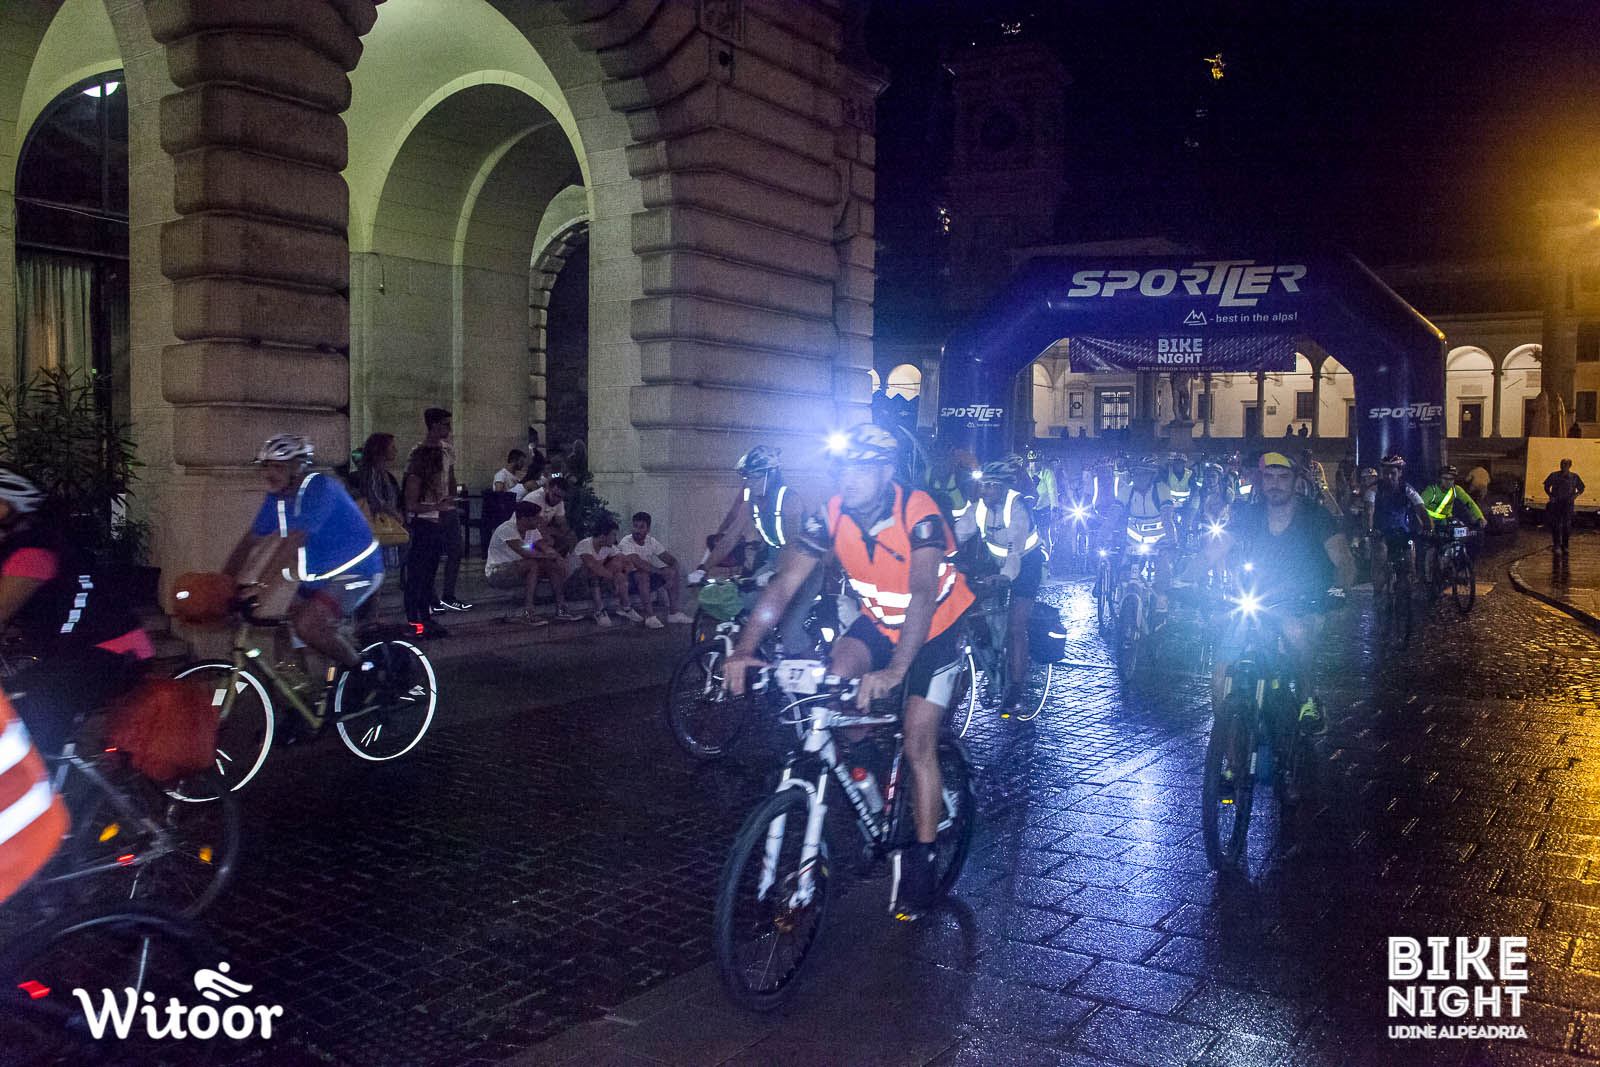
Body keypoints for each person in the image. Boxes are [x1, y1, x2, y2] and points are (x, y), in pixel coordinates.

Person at [724, 424, 975, 919]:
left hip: (935, 628)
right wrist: (744, 650)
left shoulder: (918, 511)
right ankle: (869, 776)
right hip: (879, 622)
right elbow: (784, 584)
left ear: (886, 472)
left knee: (917, 740)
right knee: (837, 684)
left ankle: (924, 857)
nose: (849, 477)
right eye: (843, 467)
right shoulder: (831, 514)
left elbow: (923, 592)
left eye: (862, 467)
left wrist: (897, 669)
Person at [0, 467, 151, 755]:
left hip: (111, 651)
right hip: (81, 651)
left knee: (26, 723)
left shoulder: (33, 552)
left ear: (9, 509)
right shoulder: (20, 547)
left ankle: (50, 776)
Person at [223, 435, 386, 702]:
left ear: (298, 466)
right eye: (266, 466)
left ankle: (366, 673)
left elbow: (294, 540)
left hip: (358, 571)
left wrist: (261, 587)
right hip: (321, 577)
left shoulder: (320, 488)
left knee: (308, 626)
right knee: (284, 634)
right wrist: (224, 582)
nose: (270, 473)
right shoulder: (277, 499)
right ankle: (300, 704)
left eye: (278, 466)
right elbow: (250, 541)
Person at [1202, 451, 1354, 737]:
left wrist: (1338, 590)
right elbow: (1213, 551)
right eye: (1269, 477)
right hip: (1256, 599)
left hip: (1302, 601)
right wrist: (1183, 579)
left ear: (1296, 481)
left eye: (1283, 477)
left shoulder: (1316, 516)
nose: (1275, 484)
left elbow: (1344, 560)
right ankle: (1227, 748)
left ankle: (1308, 698)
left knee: (1297, 634)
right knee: (1220, 673)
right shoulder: (1249, 514)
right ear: (1261, 481)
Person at [698, 445, 820, 655]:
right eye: (747, 478)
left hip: (803, 567)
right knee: (746, 606)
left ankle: (816, 669)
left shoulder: (788, 500)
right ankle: (764, 656)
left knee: (790, 631)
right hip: (774, 564)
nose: (749, 483)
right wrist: (703, 567)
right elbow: (731, 537)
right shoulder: (752, 502)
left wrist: (775, 573)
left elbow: (792, 543)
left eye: (754, 477)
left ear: (770, 474)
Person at [955, 460, 1047, 712]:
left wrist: (1005, 576)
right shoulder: (978, 508)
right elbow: (957, 534)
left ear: (1004, 488)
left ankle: (1016, 691)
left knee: (1016, 626)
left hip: (1026, 564)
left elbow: (1014, 551)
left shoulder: (1017, 508)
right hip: (996, 563)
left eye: (991, 486)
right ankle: (989, 654)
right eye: (983, 485)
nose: (984, 491)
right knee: (972, 605)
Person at [485, 500, 575, 625]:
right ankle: (528, 611)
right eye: (536, 518)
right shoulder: (506, 529)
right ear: (524, 519)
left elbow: (544, 546)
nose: (539, 520)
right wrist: (549, 556)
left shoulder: (532, 530)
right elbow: (525, 552)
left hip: (520, 569)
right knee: (532, 564)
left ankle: (561, 608)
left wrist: (557, 557)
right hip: (497, 572)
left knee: (552, 565)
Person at [419, 408, 472, 613]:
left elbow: (450, 475)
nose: (449, 429)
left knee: (455, 550)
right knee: (431, 554)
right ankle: (430, 595)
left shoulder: (448, 450)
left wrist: (452, 497)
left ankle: (448, 594)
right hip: (430, 509)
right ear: (434, 425)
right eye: (446, 424)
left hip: (447, 506)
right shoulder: (421, 451)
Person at [1114, 457, 1178, 612]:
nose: (1139, 477)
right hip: (1133, 542)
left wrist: (1171, 539)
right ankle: (1123, 599)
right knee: (1124, 572)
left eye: (1143, 474)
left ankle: (1161, 601)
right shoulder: (1126, 491)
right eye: (1136, 473)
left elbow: (1167, 517)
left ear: (1151, 476)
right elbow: (1113, 515)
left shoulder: (1161, 490)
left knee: (1162, 570)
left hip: (1158, 542)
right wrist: (1102, 535)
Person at [401, 442, 451, 638]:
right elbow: (411, 505)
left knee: (428, 577)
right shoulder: (415, 478)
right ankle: (414, 620)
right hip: (421, 527)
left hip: (433, 526)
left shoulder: (431, 481)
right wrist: (436, 507)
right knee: (417, 577)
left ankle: (425, 617)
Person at [1367, 454, 1431, 602]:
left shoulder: (1407, 489)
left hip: (1402, 532)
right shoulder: (1374, 489)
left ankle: (1407, 591)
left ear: (1400, 473)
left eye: (1393, 473)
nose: (1389, 477)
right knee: (1380, 557)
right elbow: (1369, 510)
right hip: (1381, 532)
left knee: (1410, 563)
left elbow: (1421, 509)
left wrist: (1429, 528)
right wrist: (1369, 529)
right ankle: (1378, 592)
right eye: (1385, 473)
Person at [617, 512, 692, 628]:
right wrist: (662, 573)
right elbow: (638, 563)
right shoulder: (626, 541)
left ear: (648, 529)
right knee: (642, 574)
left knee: (671, 570)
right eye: (635, 526)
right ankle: (650, 617)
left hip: (646, 577)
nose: (637, 530)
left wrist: (671, 574)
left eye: (641, 527)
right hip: (627, 581)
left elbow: (671, 560)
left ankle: (674, 614)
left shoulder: (651, 541)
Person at [572, 515, 631, 626]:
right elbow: (593, 566)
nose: (615, 538)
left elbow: (627, 562)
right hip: (575, 586)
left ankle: (626, 607)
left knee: (617, 562)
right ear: (603, 536)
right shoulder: (585, 544)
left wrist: (622, 574)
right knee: (593, 570)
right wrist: (615, 579)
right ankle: (599, 611)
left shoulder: (608, 547)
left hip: (594, 584)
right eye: (613, 535)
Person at [525, 475, 575, 556]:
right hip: (525, 537)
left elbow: (562, 523)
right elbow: (536, 526)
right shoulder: (534, 498)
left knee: (567, 539)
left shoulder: (559, 502)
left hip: (539, 536)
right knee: (549, 544)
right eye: (554, 495)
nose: (556, 499)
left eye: (560, 497)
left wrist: (568, 534)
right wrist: (552, 532)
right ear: (547, 489)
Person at [1544, 458, 1586, 555]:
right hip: (1556, 503)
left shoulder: (1574, 477)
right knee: (1556, 525)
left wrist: (1575, 496)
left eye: (1566, 464)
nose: (1564, 466)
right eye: (1562, 464)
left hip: (1568, 504)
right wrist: (1551, 496)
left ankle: (1565, 546)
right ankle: (1556, 545)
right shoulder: (1554, 475)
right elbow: (1546, 486)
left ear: (1570, 466)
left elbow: (1581, 488)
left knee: (1567, 526)